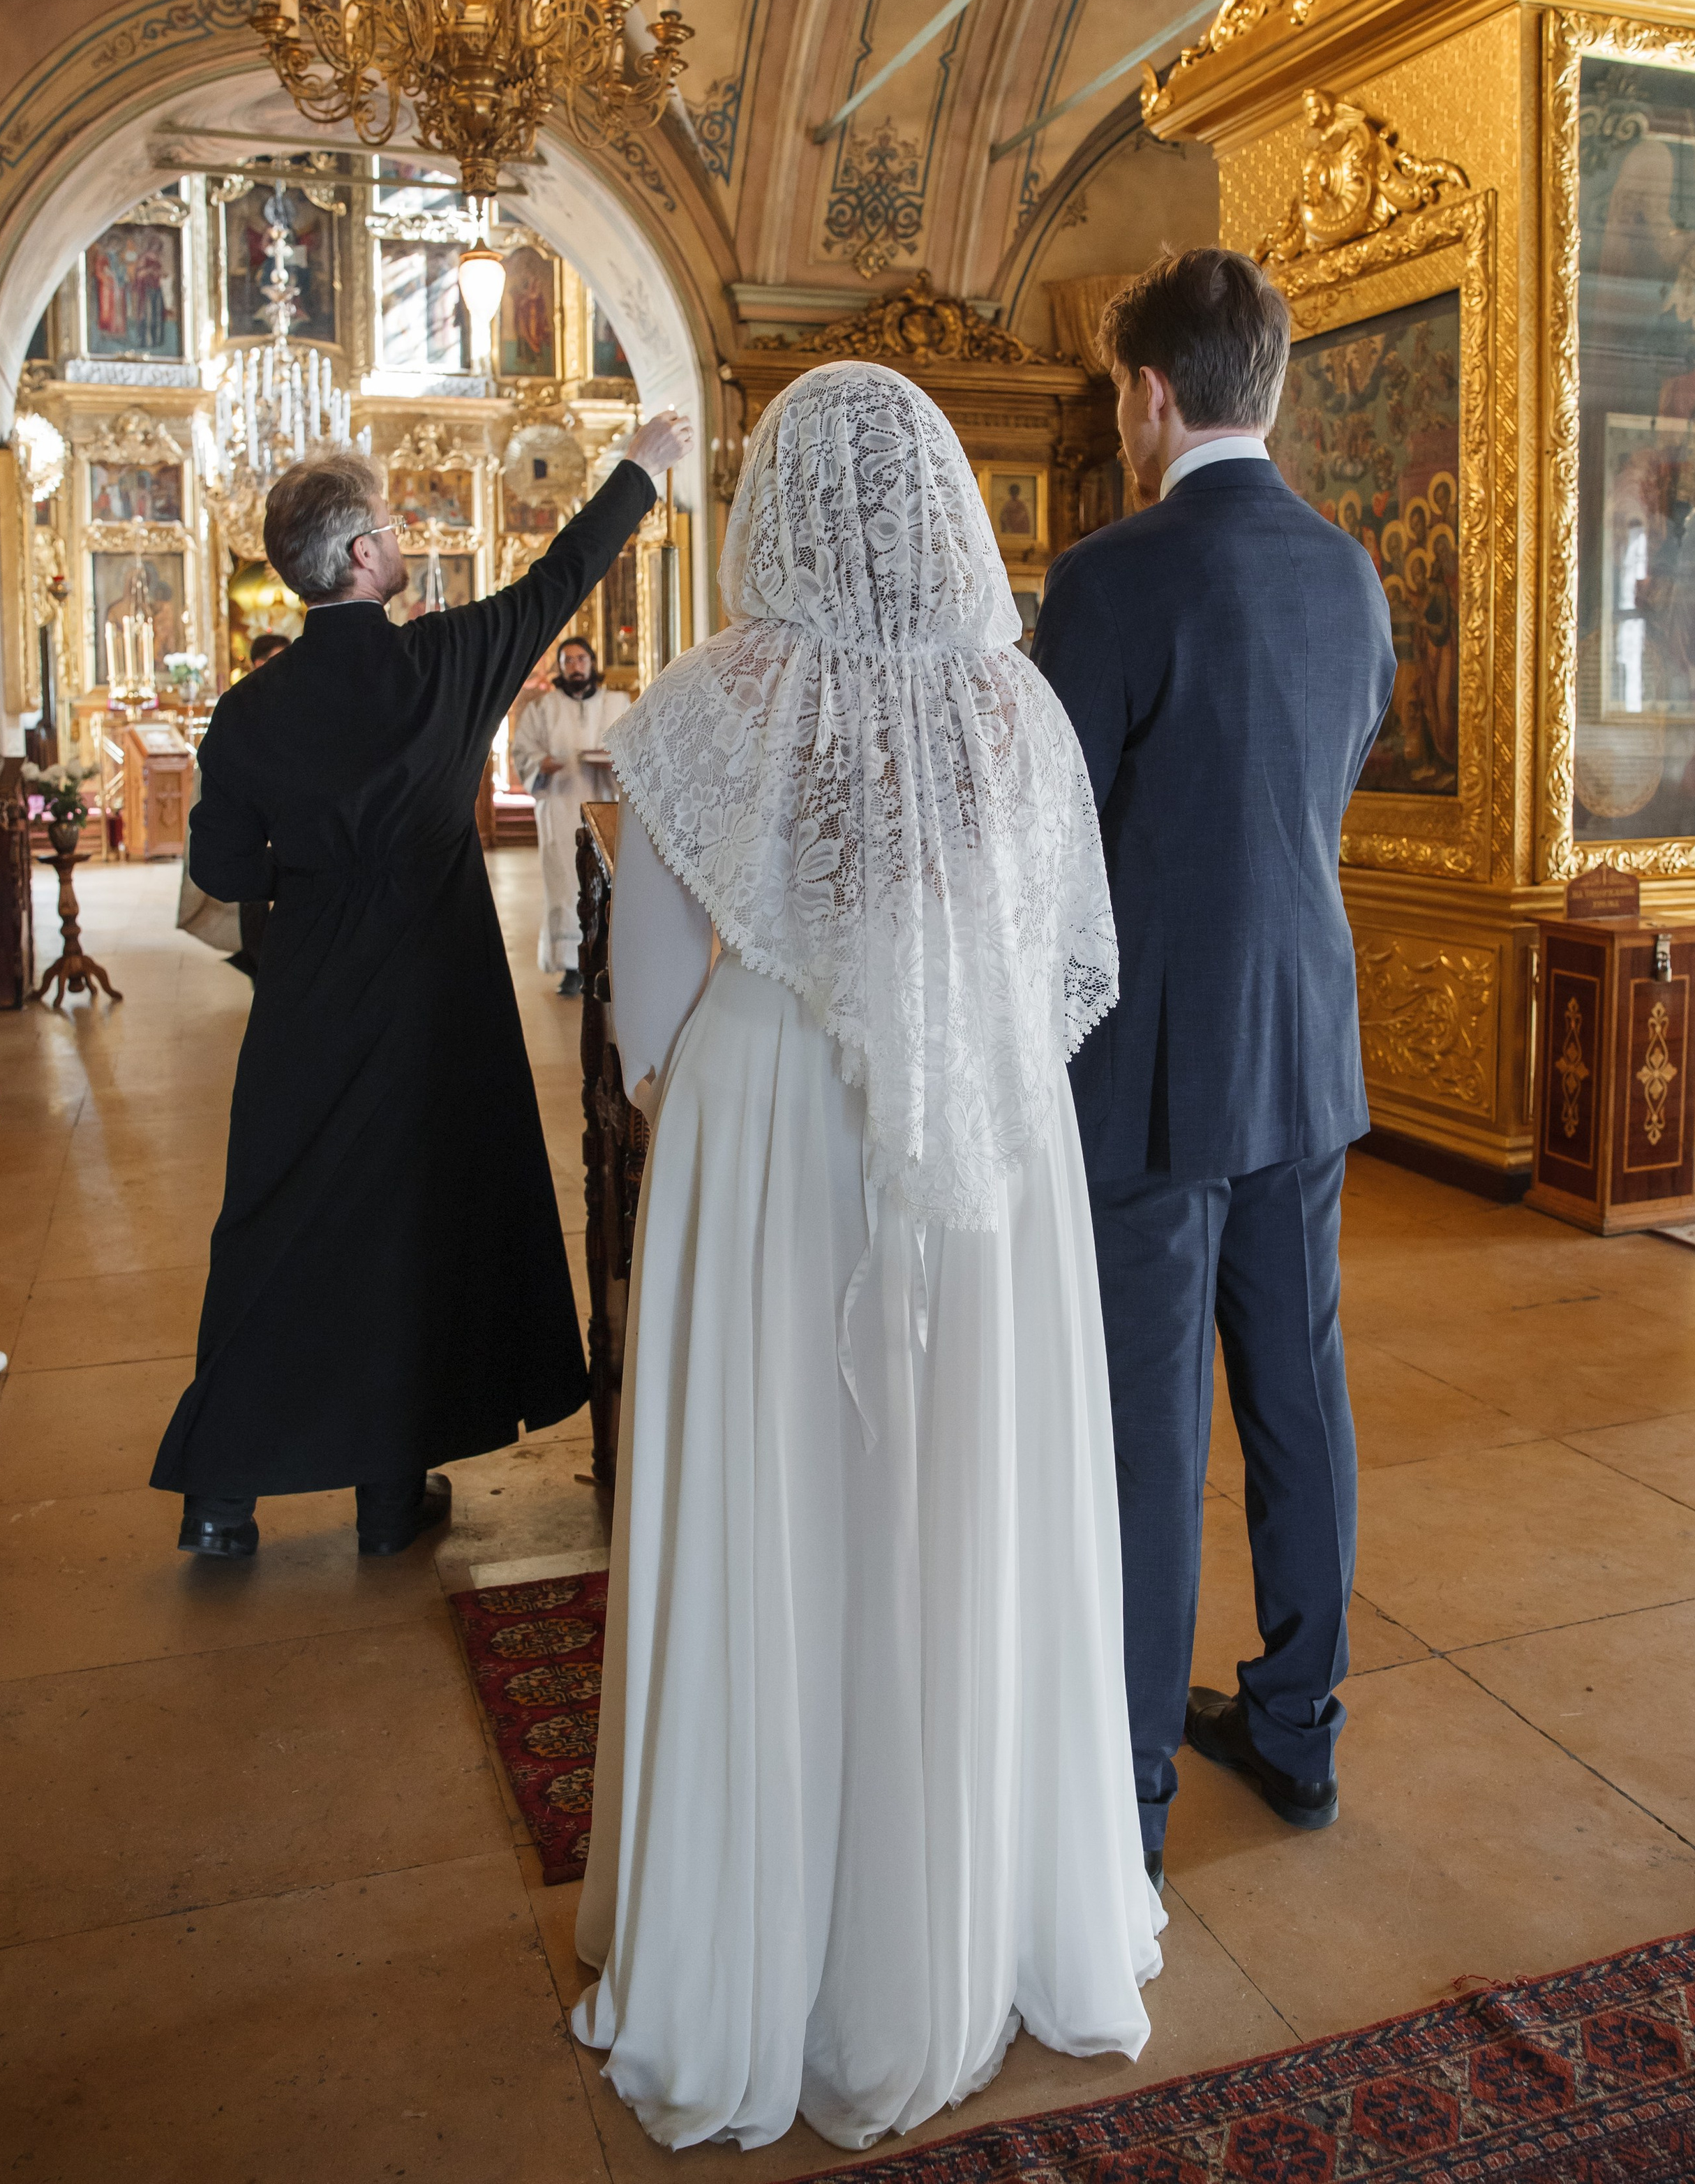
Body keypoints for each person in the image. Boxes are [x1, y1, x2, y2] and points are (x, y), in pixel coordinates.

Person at [571, 361, 1160, 2153]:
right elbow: (1050, 959)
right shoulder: (1016, 710)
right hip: (979, 1132)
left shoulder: (693, 709)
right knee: (960, 1500)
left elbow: (647, 1009)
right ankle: (962, 1925)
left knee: (779, 1500)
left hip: (765, 1123)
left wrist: (714, 1089)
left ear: (779, 508)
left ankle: (754, 1951)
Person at [151, 417, 689, 1560]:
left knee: (275, 1230)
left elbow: (221, 871)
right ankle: (390, 1499)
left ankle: (221, 1499)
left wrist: (290, 937)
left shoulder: (252, 708)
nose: (400, 540)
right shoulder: (442, 665)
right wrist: (641, 469)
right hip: (433, 1013)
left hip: (306, 1008)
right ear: (358, 561)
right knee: (407, 1233)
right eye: (388, 527)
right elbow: (563, 577)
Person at [1032, 248, 1394, 1861]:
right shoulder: (1349, 574)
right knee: (1297, 1393)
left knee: (1150, 1423)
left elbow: (1051, 833)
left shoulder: (1109, 575)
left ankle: (1128, 1784)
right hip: (1302, 1041)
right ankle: (1298, 1729)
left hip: (1150, 1064)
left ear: (1152, 393)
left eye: (1119, 392)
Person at [509, 636, 629, 995]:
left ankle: (610, 959)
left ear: (592, 663)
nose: (575, 666)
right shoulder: (542, 709)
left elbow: (636, 748)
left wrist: (616, 760)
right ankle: (569, 964)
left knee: (611, 883)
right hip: (560, 807)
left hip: (605, 802)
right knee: (563, 883)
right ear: (560, 668)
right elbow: (524, 752)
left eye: (581, 659)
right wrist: (541, 763)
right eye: (568, 661)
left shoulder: (618, 703)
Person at [175, 631, 293, 975]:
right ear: (259, 664)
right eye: (276, 659)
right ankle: (258, 965)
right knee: (254, 913)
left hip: (285, 834)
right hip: (255, 831)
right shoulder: (242, 705)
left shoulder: (295, 701)